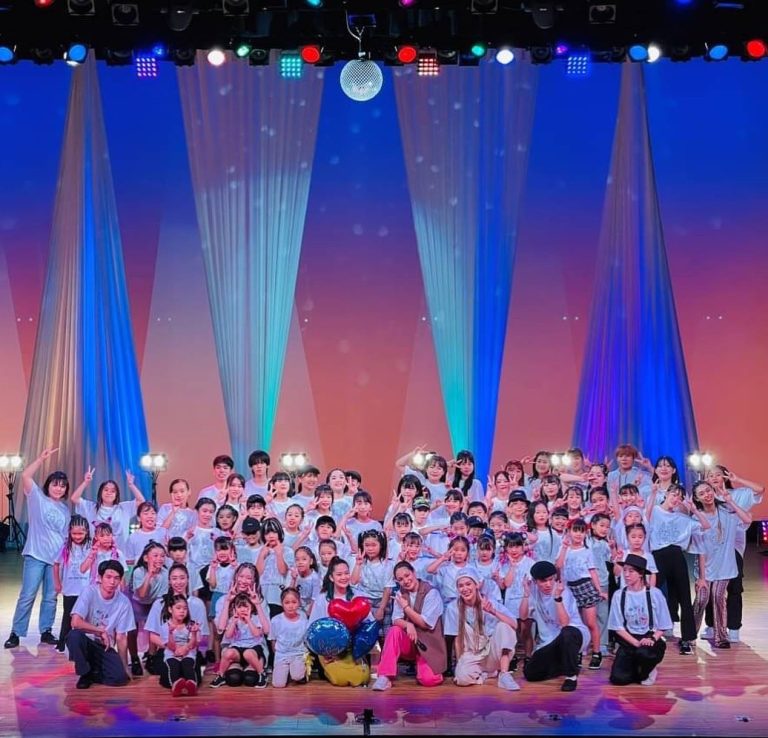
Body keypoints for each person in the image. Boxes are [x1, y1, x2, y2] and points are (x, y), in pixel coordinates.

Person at [5, 447, 70, 649]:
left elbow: (65, 537)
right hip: (35, 555)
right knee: (27, 595)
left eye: (62, 486)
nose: (58, 489)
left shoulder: (65, 510)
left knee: (50, 598)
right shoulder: (37, 498)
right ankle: (16, 632)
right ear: (48, 485)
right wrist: (41, 459)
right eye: (55, 484)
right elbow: (25, 476)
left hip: (55, 560)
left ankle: (46, 631)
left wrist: (63, 560)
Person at [373, 561, 446, 690]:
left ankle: (422, 668)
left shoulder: (431, 592)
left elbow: (425, 623)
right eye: (401, 579)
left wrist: (406, 607)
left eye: (407, 575)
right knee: (394, 631)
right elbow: (396, 619)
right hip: (410, 641)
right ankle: (385, 676)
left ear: (414, 573)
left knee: (429, 680)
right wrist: (407, 625)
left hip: (428, 644)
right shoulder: (400, 594)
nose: (405, 581)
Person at [443, 569, 519, 691]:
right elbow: (457, 639)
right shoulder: (453, 608)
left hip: (492, 652)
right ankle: (487, 674)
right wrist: (460, 663)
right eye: (461, 586)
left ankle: (504, 674)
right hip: (473, 654)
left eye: (468, 584)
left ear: (476, 585)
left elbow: (514, 624)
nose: (465, 589)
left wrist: (493, 611)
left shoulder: (490, 602)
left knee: (504, 626)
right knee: (461, 678)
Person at [521, 561, 589, 692]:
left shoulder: (562, 591)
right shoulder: (533, 591)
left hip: (575, 634)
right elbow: (523, 617)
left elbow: (565, 624)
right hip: (550, 641)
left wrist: (558, 598)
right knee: (530, 673)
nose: (548, 584)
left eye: (551, 579)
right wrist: (526, 594)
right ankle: (564, 663)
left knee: (567, 633)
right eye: (543, 581)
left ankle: (571, 676)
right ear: (535, 581)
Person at [66, 560, 135, 689]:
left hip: (104, 646)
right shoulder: (89, 592)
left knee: (119, 678)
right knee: (74, 636)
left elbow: (121, 637)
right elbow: (75, 622)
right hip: (86, 641)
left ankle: (93, 672)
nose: (112, 582)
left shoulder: (124, 602)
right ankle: (84, 673)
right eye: (108, 577)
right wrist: (100, 631)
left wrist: (125, 666)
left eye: (116, 578)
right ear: (100, 578)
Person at [608, 554, 672, 686]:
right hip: (629, 639)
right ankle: (637, 669)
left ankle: (647, 669)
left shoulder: (654, 594)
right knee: (618, 678)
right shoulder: (619, 595)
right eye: (625, 570)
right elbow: (617, 627)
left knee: (644, 654)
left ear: (641, 574)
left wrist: (652, 638)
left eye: (631, 571)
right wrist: (636, 643)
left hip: (650, 638)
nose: (626, 574)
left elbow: (664, 624)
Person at [71, 471, 145, 552]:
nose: (109, 493)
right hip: (96, 553)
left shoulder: (123, 508)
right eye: (106, 490)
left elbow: (141, 501)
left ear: (116, 495)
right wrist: (85, 482)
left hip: (120, 552)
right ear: (100, 492)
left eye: (113, 491)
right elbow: (74, 498)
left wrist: (131, 485)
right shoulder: (91, 507)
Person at [53, 514, 92, 652]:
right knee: (67, 615)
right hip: (70, 589)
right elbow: (56, 564)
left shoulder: (91, 546)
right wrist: (57, 583)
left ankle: (84, 644)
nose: (77, 536)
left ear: (87, 531)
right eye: (74, 533)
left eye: (80, 533)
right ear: (69, 532)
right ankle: (62, 642)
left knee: (85, 617)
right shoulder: (66, 547)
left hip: (86, 589)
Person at [149, 594, 200, 697]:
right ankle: (175, 686)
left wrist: (193, 634)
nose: (182, 611)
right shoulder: (165, 626)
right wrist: (171, 633)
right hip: (172, 654)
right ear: (170, 609)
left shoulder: (191, 624)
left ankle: (192, 685)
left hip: (188, 653)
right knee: (173, 665)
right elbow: (170, 646)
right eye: (178, 608)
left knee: (188, 664)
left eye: (185, 608)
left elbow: (193, 644)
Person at [269, 587, 310, 688]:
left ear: (299, 602)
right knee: (278, 684)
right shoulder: (276, 620)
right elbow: (273, 639)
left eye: (294, 602)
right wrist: (277, 654)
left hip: (298, 654)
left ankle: (300, 671)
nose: (291, 606)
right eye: (287, 603)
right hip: (282, 655)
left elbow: (306, 641)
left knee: (297, 676)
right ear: (282, 603)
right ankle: (285, 671)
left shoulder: (304, 621)